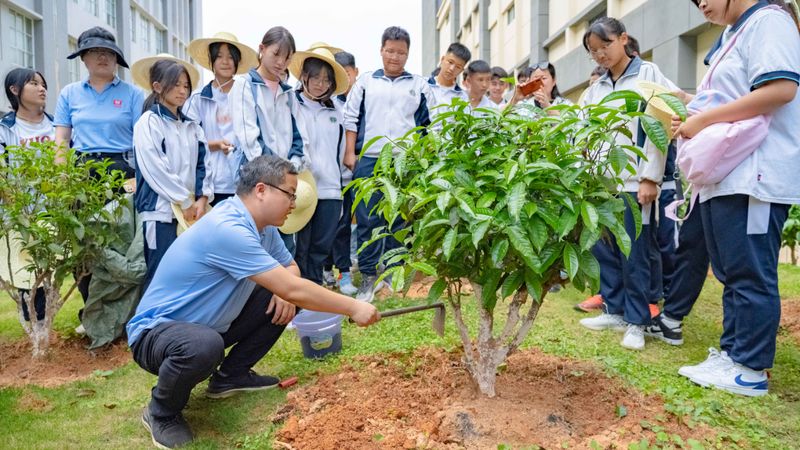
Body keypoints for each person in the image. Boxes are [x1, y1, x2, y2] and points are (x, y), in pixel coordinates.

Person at [127, 155, 380, 448]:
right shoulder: (228, 228)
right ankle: (161, 413)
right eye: (290, 195)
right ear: (261, 190)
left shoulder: (263, 228)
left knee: (286, 296)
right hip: (156, 334)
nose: (294, 204)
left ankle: (230, 377)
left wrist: (283, 290)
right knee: (204, 345)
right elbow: (293, 285)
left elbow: (291, 271)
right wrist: (354, 306)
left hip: (209, 325)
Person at [669, 0, 800, 396]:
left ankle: (750, 369)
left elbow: (781, 88)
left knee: (749, 271)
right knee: (730, 271)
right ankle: (733, 355)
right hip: (728, 174)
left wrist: (702, 120)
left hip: (755, 172)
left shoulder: (769, 21)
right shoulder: (733, 33)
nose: (702, 4)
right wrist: (690, 108)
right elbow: (729, 97)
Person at [577, 17, 678, 351]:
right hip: (602, 185)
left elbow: (659, 126)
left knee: (635, 252)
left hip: (636, 183)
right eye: (593, 51)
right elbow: (583, 132)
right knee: (605, 249)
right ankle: (615, 308)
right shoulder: (596, 89)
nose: (600, 55)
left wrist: (651, 176)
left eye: (605, 46)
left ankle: (637, 320)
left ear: (623, 39)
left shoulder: (648, 75)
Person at [54, 26, 144, 313]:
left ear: (117, 58)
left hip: (123, 172)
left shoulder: (133, 94)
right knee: (85, 243)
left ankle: (124, 312)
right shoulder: (69, 94)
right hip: (82, 172)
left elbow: (143, 142)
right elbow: (61, 141)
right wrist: (61, 179)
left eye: (108, 52)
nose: (102, 57)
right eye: (94, 52)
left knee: (123, 242)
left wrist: (139, 180)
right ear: (83, 58)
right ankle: (91, 309)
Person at [342, 26, 433, 302]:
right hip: (370, 159)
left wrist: (424, 159)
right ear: (381, 50)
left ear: (408, 54)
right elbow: (350, 118)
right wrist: (350, 153)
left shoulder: (418, 85)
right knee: (369, 217)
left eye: (401, 52)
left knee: (399, 217)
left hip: (404, 161)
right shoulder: (366, 82)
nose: (395, 57)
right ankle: (369, 276)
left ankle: (393, 271)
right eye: (390, 51)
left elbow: (430, 125)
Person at [131, 56, 211, 292]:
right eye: (175, 84)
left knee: (187, 272)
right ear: (157, 87)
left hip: (191, 212)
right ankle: (150, 328)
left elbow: (204, 164)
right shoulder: (148, 123)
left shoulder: (192, 126)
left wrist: (203, 198)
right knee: (160, 274)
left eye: (186, 86)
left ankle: (179, 327)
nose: (182, 91)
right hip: (160, 212)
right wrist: (184, 200)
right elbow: (155, 168)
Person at [230, 26, 305, 254]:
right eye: (276, 54)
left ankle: (283, 289)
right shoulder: (245, 84)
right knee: (255, 241)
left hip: (284, 183)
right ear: (262, 49)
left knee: (285, 242)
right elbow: (249, 138)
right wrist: (277, 175)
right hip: (257, 179)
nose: (281, 62)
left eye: (287, 58)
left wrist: (292, 169)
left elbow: (300, 138)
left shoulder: (289, 93)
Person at [288, 46, 350, 285]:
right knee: (299, 248)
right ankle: (297, 300)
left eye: (326, 79)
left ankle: (313, 297)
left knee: (320, 248)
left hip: (330, 191)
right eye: (315, 77)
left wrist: (342, 185)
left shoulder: (337, 111)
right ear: (304, 76)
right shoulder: (292, 104)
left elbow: (342, 150)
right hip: (301, 190)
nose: (320, 84)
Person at [1, 68, 54, 323]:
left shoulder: (58, 126)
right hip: (20, 213)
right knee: (26, 275)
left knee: (51, 273)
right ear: (14, 90)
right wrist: (19, 213)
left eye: (43, 84)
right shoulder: (5, 129)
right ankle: (35, 326)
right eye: (34, 84)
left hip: (55, 211)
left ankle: (43, 326)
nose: (42, 88)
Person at [185, 32, 259, 206]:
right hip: (211, 184)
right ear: (211, 61)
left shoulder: (248, 95)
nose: (225, 62)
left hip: (244, 182)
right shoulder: (198, 98)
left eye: (230, 57)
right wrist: (215, 144)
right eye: (219, 57)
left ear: (237, 61)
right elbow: (187, 140)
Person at [323, 50, 360, 295]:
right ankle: (325, 270)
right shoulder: (329, 104)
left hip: (351, 177)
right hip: (328, 179)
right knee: (328, 228)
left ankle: (344, 273)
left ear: (355, 73)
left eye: (348, 74)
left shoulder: (359, 101)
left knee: (345, 226)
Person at [427, 42, 471, 118]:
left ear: (461, 70)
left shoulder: (462, 97)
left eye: (458, 67)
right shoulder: (423, 86)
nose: (451, 69)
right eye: (450, 62)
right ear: (442, 59)